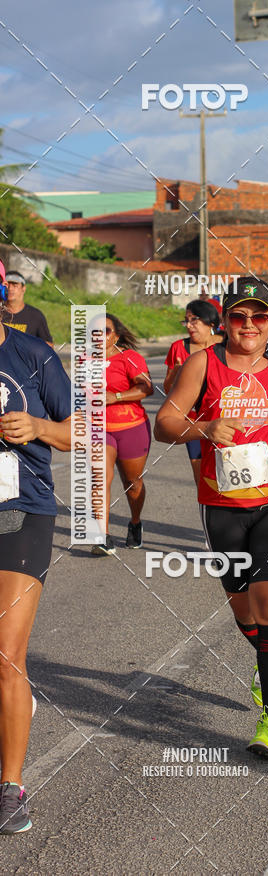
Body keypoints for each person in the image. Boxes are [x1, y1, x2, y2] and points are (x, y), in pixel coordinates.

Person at [155, 276, 268, 760]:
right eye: (238, 316)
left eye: (258, 316)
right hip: (222, 504)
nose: (248, 325)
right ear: (225, 320)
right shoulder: (202, 363)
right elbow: (164, 423)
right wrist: (204, 426)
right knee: (242, 609)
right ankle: (263, 655)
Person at [0, 290, 71, 834]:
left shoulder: (35, 356)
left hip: (19, 510)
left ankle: (11, 787)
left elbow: (83, 433)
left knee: (6, 653)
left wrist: (38, 428)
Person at [95, 315, 154, 555]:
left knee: (133, 483)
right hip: (99, 428)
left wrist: (115, 397)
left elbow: (145, 387)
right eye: (94, 332)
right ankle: (102, 536)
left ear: (116, 335)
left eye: (105, 331)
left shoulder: (130, 357)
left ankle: (135, 522)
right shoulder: (85, 361)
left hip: (131, 427)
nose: (98, 336)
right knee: (100, 478)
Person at [164, 301, 222, 488]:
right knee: (203, 481)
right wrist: (176, 373)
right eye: (186, 321)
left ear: (210, 323)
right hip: (193, 423)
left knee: (229, 476)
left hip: (225, 419)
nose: (189, 325)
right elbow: (167, 390)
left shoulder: (227, 344)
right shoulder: (178, 348)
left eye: (194, 320)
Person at [0, 271, 53, 346]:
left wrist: (27, 348)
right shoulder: (1, 314)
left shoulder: (36, 316)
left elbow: (49, 346)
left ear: (23, 288)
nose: (10, 289)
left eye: (15, 285)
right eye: (7, 285)